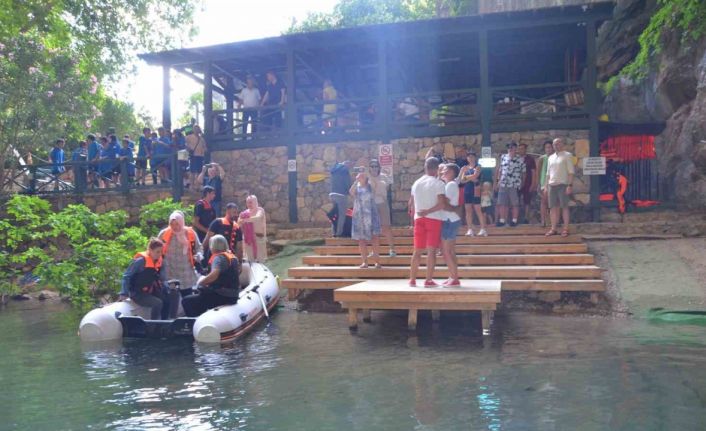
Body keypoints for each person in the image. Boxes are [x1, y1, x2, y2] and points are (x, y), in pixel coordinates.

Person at [408, 157, 446, 287]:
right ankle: (428, 280)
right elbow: (441, 204)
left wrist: (415, 217)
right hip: (433, 218)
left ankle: (412, 279)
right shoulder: (438, 183)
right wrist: (428, 211)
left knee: (417, 250)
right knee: (431, 251)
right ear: (437, 169)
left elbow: (411, 204)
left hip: (418, 218)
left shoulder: (416, 183)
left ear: (425, 167)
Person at [182, 235, 239, 317]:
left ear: (213, 246)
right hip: (233, 295)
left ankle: (194, 322)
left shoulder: (218, 258)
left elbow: (214, 275)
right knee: (201, 296)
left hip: (222, 295)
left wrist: (201, 282)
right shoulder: (232, 257)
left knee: (187, 301)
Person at [119, 238, 168, 320]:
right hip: (137, 293)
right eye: (157, 252)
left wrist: (166, 285)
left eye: (161, 252)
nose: (159, 254)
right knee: (157, 303)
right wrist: (124, 293)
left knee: (167, 299)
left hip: (149, 290)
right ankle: (154, 326)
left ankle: (165, 323)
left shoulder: (158, 261)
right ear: (150, 250)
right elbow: (126, 276)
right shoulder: (140, 261)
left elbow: (161, 277)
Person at [158, 211, 202, 293]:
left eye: (177, 224)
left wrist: (199, 255)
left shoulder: (190, 233)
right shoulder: (164, 233)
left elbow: (199, 247)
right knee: (172, 297)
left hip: (186, 272)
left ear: (181, 222)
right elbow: (156, 247)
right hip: (169, 270)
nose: (174, 227)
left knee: (187, 296)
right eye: (172, 224)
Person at [435, 163, 462, 286]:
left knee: (446, 251)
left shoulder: (450, 185)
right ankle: (452, 275)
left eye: (446, 170)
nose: (443, 172)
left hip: (449, 220)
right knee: (450, 251)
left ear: (452, 172)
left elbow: (444, 202)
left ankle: (454, 277)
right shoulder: (450, 184)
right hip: (451, 219)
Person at [350, 168, 382, 268]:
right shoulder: (357, 187)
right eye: (360, 175)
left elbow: (374, 184)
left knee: (374, 238)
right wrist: (356, 181)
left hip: (371, 216)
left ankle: (377, 262)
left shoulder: (370, 186)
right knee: (361, 240)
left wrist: (366, 173)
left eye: (363, 175)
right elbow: (351, 192)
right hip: (360, 217)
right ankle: (365, 262)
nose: (361, 176)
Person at [544, 138, 575, 237]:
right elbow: (548, 174)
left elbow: (571, 172)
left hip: (563, 185)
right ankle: (553, 228)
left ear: (562, 144)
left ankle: (565, 228)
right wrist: (545, 186)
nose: (556, 146)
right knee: (552, 207)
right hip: (552, 185)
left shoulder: (567, 155)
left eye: (558, 143)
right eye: (554, 144)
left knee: (564, 207)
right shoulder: (550, 158)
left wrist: (569, 185)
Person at [368, 159, 396, 256]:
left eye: (376, 166)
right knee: (373, 229)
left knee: (386, 227)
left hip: (383, 203)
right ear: (369, 168)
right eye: (372, 166)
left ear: (379, 167)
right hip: (371, 204)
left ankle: (392, 249)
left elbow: (387, 188)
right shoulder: (367, 178)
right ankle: (374, 250)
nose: (374, 168)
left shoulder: (384, 177)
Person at [494, 142, 526, 227]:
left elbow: (523, 172)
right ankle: (502, 220)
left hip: (514, 184)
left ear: (516, 148)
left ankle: (514, 220)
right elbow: (500, 170)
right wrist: (498, 181)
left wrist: (522, 183)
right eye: (509, 148)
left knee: (515, 203)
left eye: (512, 147)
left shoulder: (520, 159)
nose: (510, 149)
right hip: (503, 183)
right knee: (502, 202)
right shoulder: (503, 157)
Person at [458, 152, 487, 237]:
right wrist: (469, 178)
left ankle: (483, 229)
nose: (470, 158)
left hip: (475, 189)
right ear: (467, 158)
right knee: (468, 209)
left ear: (475, 157)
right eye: (469, 157)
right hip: (467, 189)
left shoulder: (478, 166)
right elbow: (461, 180)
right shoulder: (465, 168)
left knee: (477, 208)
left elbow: (475, 176)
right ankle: (470, 229)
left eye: (472, 156)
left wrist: (467, 177)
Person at [239, 195, 268, 262]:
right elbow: (239, 222)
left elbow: (257, 218)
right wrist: (241, 220)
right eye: (247, 202)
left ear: (256, 202)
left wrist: (245, 220)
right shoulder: (245, 213)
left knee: (260, 260)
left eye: (251, 202)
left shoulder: (260, 210)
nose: (249, 204)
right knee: (250, 260)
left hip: (258, 237)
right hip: (248, 239)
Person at [329, 160, 352, 237]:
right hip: (341, 195)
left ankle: (333, 232)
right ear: (347, 164)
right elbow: (347, 184)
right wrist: (350, 192)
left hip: (333, 194)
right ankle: (339, 233)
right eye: (349, 165)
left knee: (335, 214)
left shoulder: (334, 169)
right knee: (342, 215)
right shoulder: (345, 170)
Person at [536, 140, 554, 227]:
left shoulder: (556, 157)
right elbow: (538, 172)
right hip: (544, 183)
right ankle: (543, 220)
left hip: (554, 182)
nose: (548, 149)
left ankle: (553, 221)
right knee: (544, 202)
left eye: (550, 147)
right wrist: (538, 184)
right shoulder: (542, 158)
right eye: (547, 147)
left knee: (554, 203)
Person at [518, 143, 537, 224]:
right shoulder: (516, 159)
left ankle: (526, 217)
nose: (521, 150)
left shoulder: (530, 159)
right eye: (519, 149)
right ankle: (516, 217)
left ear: (525, 149)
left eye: (522, 148)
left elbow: (533, 172)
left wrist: (533, 184)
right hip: (517, 183)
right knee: (516, 201)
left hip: (528, 183)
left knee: (527, 201)